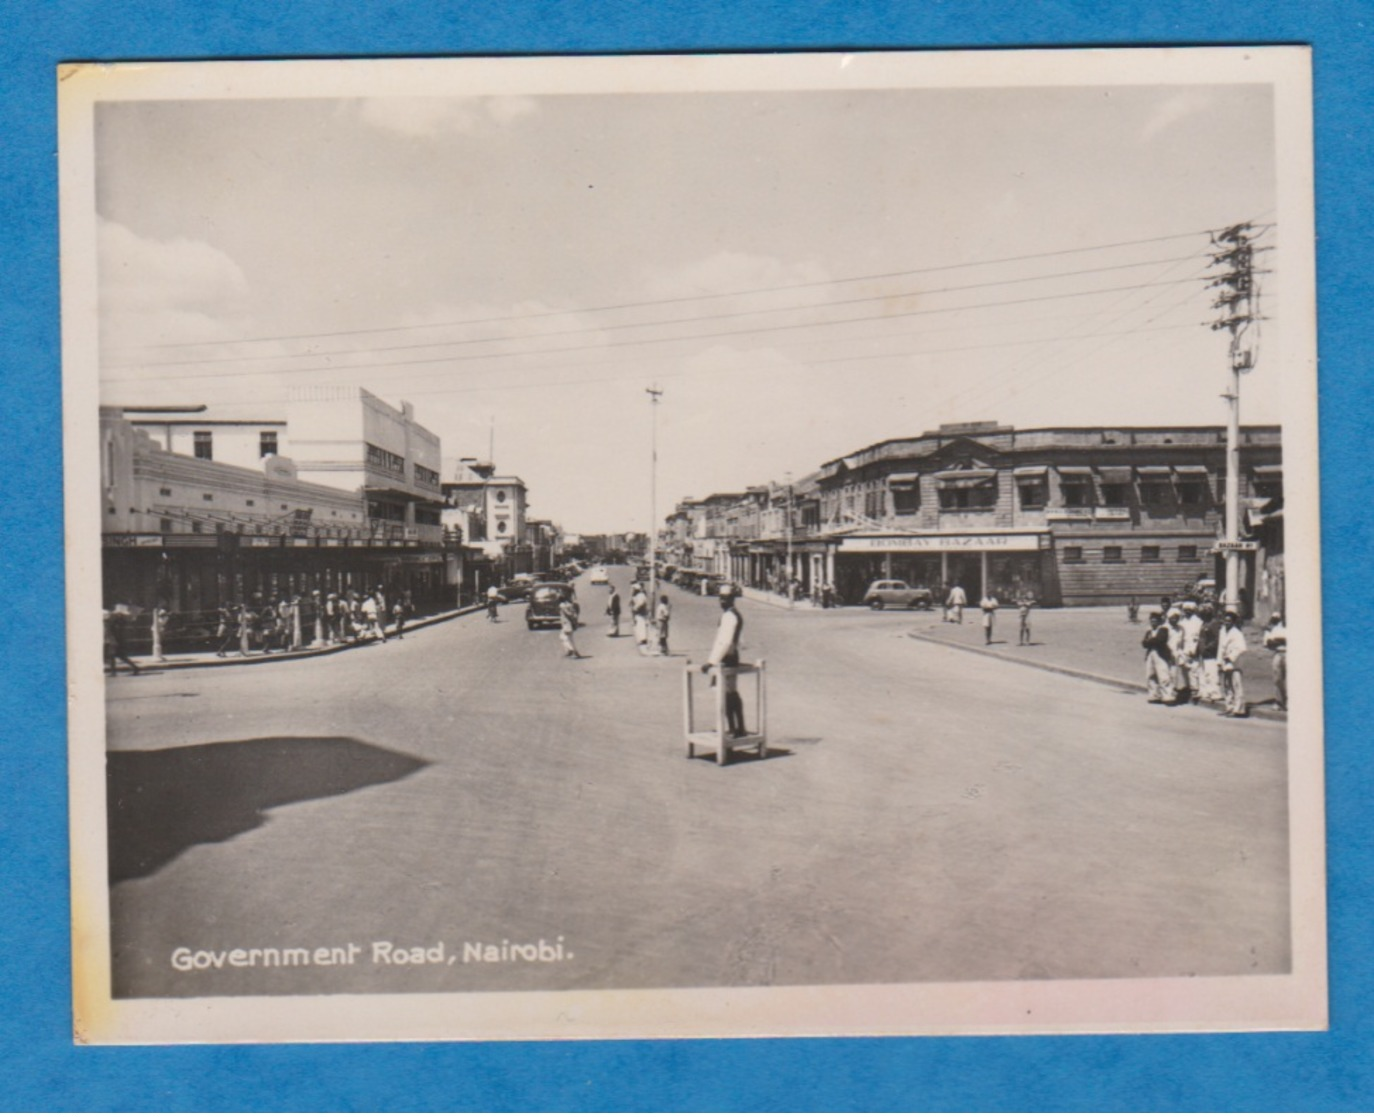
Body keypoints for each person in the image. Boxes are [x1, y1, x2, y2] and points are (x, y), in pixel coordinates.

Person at [701, 584, 747, 737]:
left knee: (727, 694)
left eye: (725, 599)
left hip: (726, 658)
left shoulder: (729, 616)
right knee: (730, 693)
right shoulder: (734, 615)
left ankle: (736, 728)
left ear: (732, 599)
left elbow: (725, 642)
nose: (721, 601)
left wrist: (712, 662)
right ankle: (737, 727)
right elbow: (740, 640)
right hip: (729, 656)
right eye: (720, 598)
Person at [1219, 610, 1249, 717]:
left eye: (1229, 621)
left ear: (1233, 622)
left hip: (1235, 662)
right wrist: (1220, 661)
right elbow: (1221, 648)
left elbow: (1242, 648)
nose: (1227, 623)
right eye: (1225, 620)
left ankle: (1239, 709)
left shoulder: (1237, 633)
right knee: (1227, 685)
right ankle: (1229, 707)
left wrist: (1231, 657)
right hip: (1225, 662)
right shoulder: (1222, 631)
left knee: (1236, 685)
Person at [1141, 610, 1175, 704]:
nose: (1153, 622)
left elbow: (1160, 640)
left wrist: (1150, 641)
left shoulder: (1163, 629)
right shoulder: (1149, 631)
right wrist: (1150, 641)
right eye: (1152, 620)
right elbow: (1144, 643)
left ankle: (1168, 696)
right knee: (1150, 674)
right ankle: (1154, 695)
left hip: (1161, 654)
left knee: (1163, 675)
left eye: (1156, 620)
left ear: (1159, 621)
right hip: (1150, 654)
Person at [1196, 603, 1223, 703]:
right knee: (1203, 673)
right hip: (1203, 653)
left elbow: (1216, 639)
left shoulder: (1214, 624)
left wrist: (1208, 648)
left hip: (1210, 653)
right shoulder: (1204, 624)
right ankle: (1205, 692)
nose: (1202, 615)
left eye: (1204, 613)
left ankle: (1215, 693)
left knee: (1211, 673)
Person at [104, 605, 140, 676]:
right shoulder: (119, 621)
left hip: (115, 641)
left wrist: (112, 640)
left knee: (113, 656)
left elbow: (113, 632)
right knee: (120, 656)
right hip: (116, 640)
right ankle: (135, 668)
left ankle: (113, 672)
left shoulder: (116, 621)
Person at [1179, 601, 1204, 703]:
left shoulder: (1198, 622)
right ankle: (1187, 686)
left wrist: (1195, 649)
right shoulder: (1182, 622)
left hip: (1194, 647)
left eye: (1189, 610)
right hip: (1184, 646)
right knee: (1184, 668)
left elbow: (1198, 637)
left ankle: (1195, 690)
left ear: (1193, 611)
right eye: (1185, 610)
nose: (1187, 612)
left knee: (1194, 669)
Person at [1165, 609, 1190, 704]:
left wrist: (1182, 653)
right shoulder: (1165, 628)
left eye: (1176, 618)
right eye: (1172, 618)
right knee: (1167, 676)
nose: (1174, 620)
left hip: (1176, 655)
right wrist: (1168, 653)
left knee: (1175, 675)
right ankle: (1167, 695)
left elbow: (1182, 642)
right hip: (1166, 654)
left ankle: (1173, 696)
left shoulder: (1180, 629)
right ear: (1169, 618)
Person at [1263, 612, 1287, 711]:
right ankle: (1279, 701)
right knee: (1277, 679)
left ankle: (1289, 701)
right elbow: (1268, 642)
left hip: (1290, 653)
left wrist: (1280, 640)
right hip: (1278, 653)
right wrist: (1281, 641)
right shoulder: (1274, 629)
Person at [558, 593, 582, 659]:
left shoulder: (562, 605)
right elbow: (575, 613)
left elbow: (568, 614)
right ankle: (574, 651)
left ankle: (571, 650)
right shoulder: (570, 604)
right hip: (571, 623)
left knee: (563, 637)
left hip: (567, 624)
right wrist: (574, 621)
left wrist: (570, 619)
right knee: (570, 639)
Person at [630, 582, 651, 653]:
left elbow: (641, 604)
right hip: (638, 614)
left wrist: (635, 608)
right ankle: (641, 639)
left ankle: (643, 639)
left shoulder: (641, 595)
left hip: (641, 613)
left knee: (642, 626)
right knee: (639, 626)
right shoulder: (636, 596)